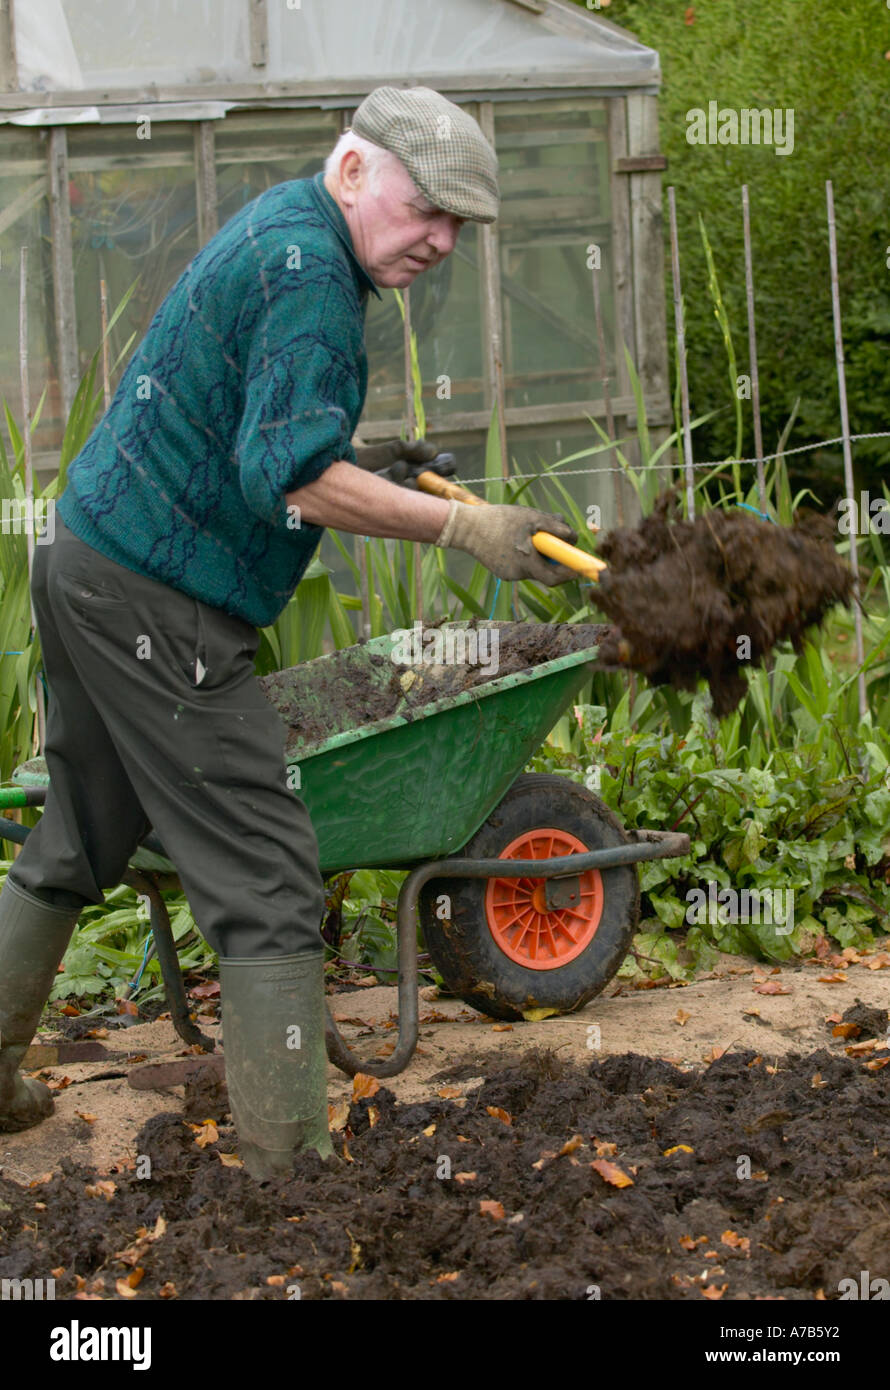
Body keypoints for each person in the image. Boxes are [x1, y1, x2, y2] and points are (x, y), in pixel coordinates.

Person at [0, 87, 578, 1178]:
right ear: (355, 171)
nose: (441, 240)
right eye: (426, 210)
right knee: (268, 887)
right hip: (155, 604)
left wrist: (377, 467)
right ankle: (286, 1174)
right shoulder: (313, 276)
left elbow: (257, 426)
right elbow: (301, 482)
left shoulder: (289, 227)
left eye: (456, 223)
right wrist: (461, 523)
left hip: (88, 559)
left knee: (77, 838)